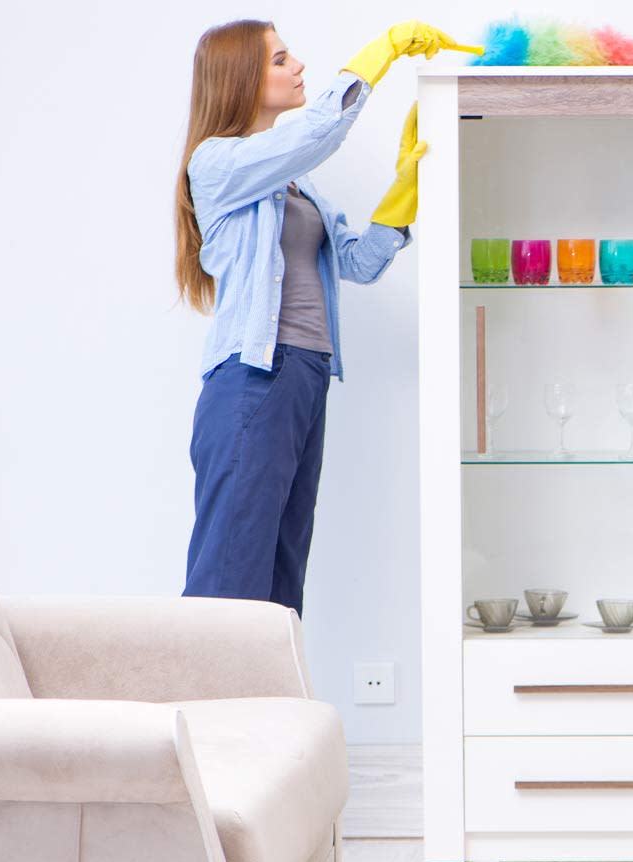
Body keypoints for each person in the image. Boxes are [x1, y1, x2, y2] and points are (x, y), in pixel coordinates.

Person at [174, 19, 462, 613]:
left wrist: (402, 191)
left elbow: (355, 263)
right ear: (242, 79)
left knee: (282, 572)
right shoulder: (219, 164)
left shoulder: (296, 183)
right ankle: (203, 705)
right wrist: (379, 55)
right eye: (281, 60)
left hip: (304, 375)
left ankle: (271, 707)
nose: (298, 66)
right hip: (254, 379)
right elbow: (319, 132)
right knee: (229, 573)